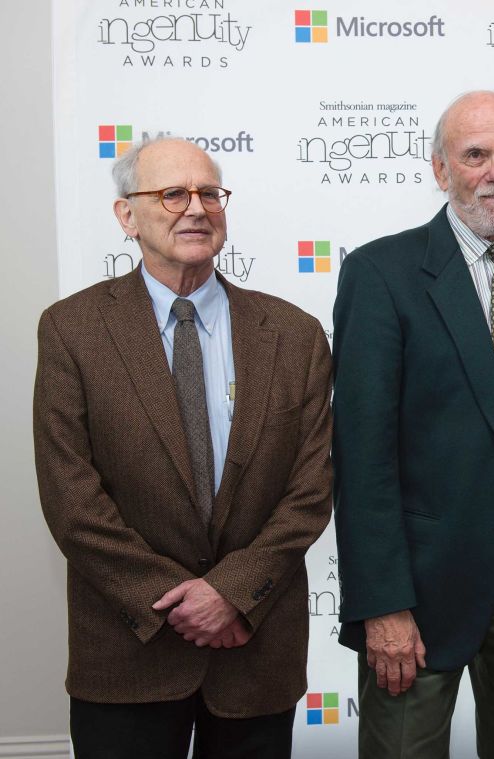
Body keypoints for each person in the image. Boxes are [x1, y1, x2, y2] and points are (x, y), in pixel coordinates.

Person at [33, 136, 334, 758]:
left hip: (254, 649)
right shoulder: (72, 329)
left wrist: (229, 593)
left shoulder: (295, 335)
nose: (196, 209)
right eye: (172, 193)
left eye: (209, 193)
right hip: (126, 652)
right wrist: (174, 602)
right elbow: (72, 500)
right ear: (126, 215)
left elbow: (310, 491)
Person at [332, 90, 494, 758]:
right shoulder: (381, 272)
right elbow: (362, 454)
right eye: (474, 154)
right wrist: (381, 602)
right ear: (441, 169)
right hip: (420, 573)